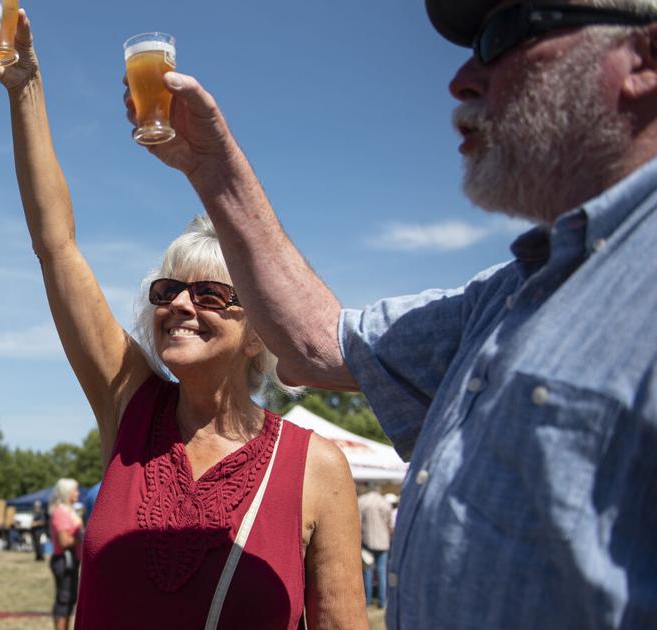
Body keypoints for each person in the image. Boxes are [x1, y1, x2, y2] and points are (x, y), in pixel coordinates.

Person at [120, 1, 657, 627]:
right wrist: (211, 166)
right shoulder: (503, 298)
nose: (462, 79)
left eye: (509, 35)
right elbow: (316, 344)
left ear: (644, 60)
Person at [0, 14, 366, 629]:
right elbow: (55, 245)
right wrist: (26, 87)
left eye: (213, 295)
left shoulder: (317, 465)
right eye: (169, 289)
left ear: (259, 330)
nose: (182, 306)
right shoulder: (129, 407)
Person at [48, 479, 83, 630]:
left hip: (71, 559)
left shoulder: (69, 510)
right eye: (75, 490)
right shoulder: (61, 512)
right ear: (66, 493)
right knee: (64, 600)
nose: (78, 493)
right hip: (64, 560)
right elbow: (64, 541)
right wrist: (83, 537)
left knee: (69, 599)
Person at [357, 483, 393, 609]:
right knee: (382, 572)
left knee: (367, 573)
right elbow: (389, 522)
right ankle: (382, 601)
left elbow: (358, 523)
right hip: (383, 543)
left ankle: (367, 602)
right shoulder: (384, 502)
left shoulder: (362, 501)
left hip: (368, 542)